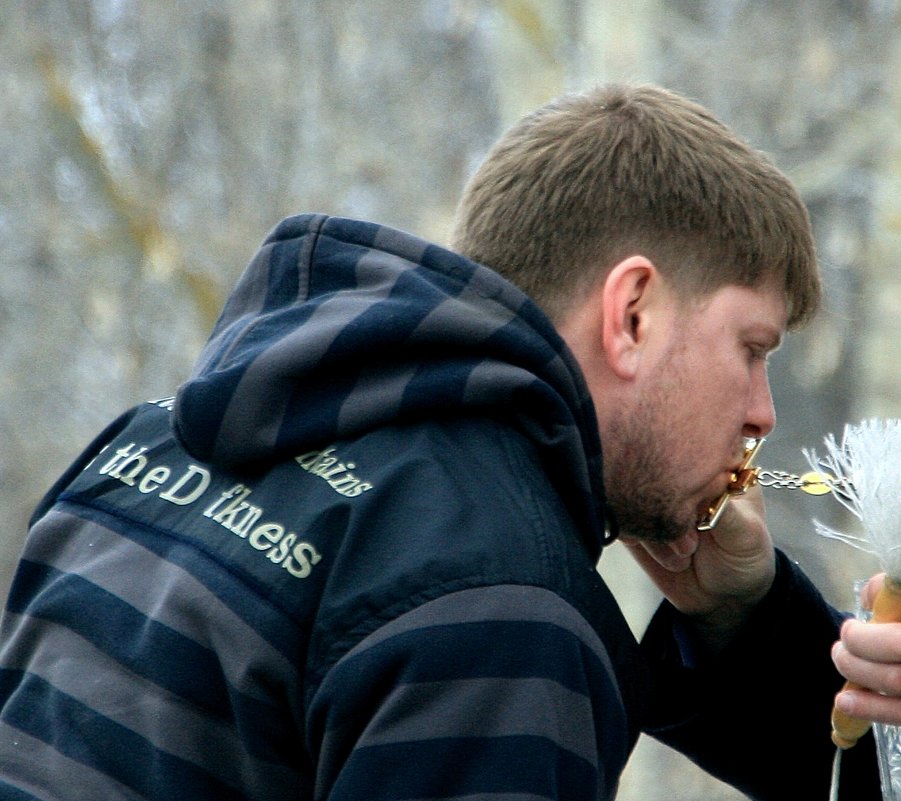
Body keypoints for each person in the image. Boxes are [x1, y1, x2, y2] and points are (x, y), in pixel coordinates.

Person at [0, 83, 891, 800]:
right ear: (631, 313)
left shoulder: (146, 445)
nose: (762, 413)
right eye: (751, 349)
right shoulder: (506, 614)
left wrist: (743, 620)